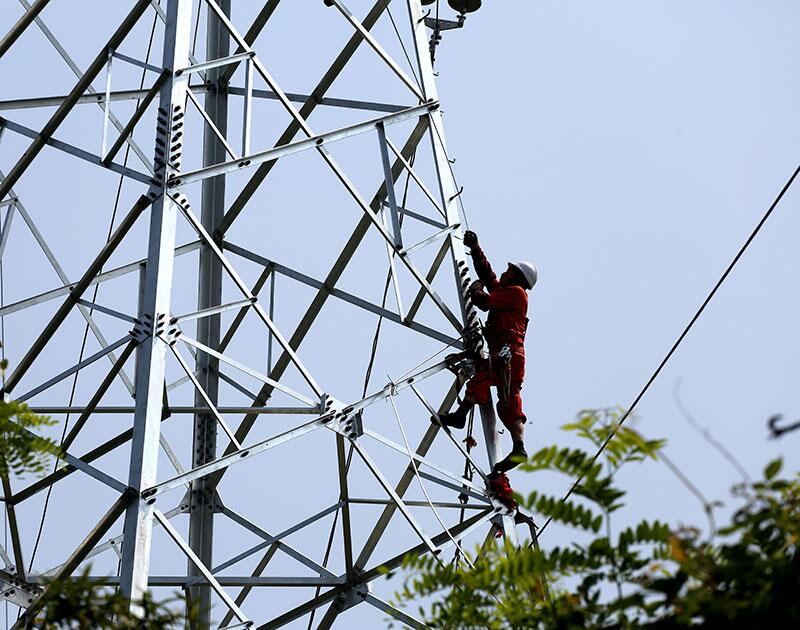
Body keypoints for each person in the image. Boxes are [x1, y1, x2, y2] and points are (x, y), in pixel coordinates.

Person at [436, 230, 537, 473]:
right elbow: (489, 275)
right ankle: (519, 448)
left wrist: (476, 289)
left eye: (509, 269)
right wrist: (476, 249)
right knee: (507, 403)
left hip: (507, 353)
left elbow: (484, 301)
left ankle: (461, 416)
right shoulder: (508, 291)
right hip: (511, 355)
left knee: (485, 377)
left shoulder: (515, 293)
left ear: (516, 275)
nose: (504, 271)